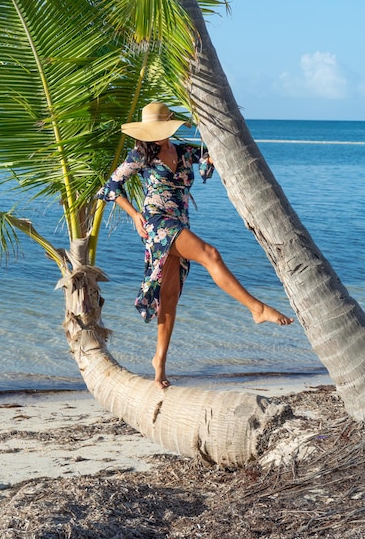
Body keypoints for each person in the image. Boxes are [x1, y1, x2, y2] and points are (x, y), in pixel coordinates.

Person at [97, 102, 294, 389]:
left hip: (179, 224)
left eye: (161, 130)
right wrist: (135, 214)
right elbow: (111, 187)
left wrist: (214, 150)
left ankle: (159, 362)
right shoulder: (140, 155)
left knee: (170, 297)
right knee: (210, 254)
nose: (157, 136)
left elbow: (216, 157)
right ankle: (256, 308)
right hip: (157, 223)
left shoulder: (185, 152)